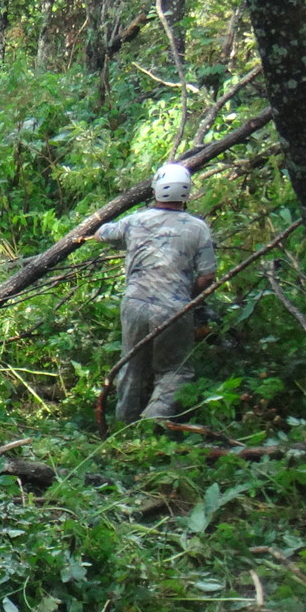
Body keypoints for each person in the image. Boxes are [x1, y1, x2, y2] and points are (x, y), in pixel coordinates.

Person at [93, 162, 215, 423]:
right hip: (174, 308)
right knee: (174, 372)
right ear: (187, 193)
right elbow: (207, 277)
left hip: (135, 306)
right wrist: (185, 295)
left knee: (132, 369)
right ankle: (150, 426)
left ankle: (121, 432)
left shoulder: (135, 221)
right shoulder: (198, 228)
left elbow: (102, 234)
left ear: (156, 190)